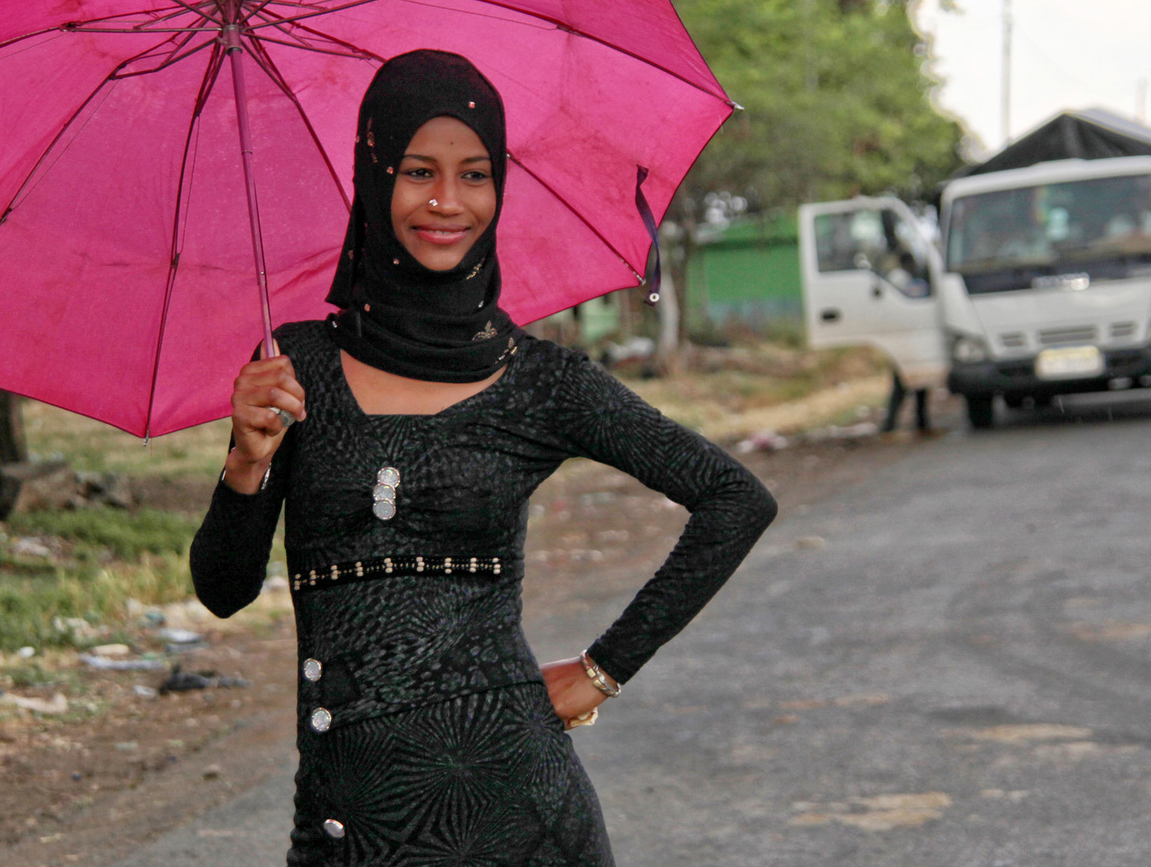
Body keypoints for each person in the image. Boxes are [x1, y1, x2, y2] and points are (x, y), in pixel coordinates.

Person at [190, 50, 778, 866]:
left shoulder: (541, 382)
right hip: (346, 831)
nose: (446, 202)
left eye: (475, 174)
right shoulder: (297, 371)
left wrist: (604, 669)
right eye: (418, 171)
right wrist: (248, 462)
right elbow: (221, 592)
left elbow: (733, 498)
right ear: (373, 175)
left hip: (519, 823)